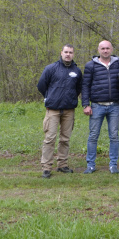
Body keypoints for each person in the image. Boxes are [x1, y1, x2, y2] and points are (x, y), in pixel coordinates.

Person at [37, 44, 83, 179]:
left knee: (65, 139)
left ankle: (62, 164)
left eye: (70, 52)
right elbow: (41, 85)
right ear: (61, 53)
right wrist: (49, 97)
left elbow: (78, 88)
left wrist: (71, 98)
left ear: (73, 54)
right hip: (53, 109)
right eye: (66, 52)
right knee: (49, 139)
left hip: (69, 110)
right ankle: (46, 168)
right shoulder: (51, 68)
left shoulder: (77, 71)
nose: (68, 54)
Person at [81, 40, 119, 174]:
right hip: (96, 106)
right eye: (103, 48)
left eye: (107, 48)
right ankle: (91, 165)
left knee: (114, 136)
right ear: (98, 50)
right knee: (93, 136)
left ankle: (113, 165)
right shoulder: (90, 65)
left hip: (114, 106)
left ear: (111, 49)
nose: (105, 51)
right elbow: (85, 86)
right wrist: (85, 104)